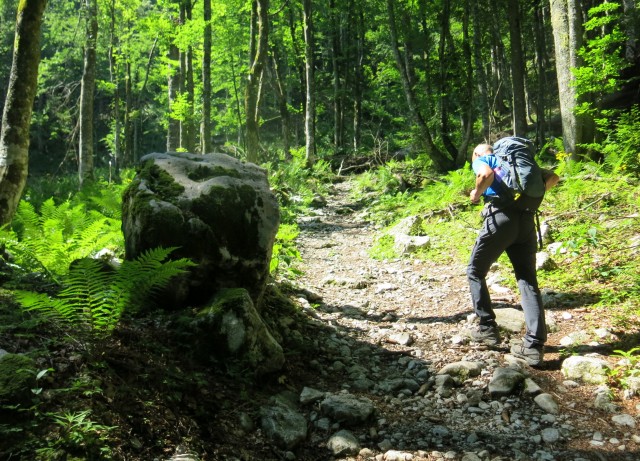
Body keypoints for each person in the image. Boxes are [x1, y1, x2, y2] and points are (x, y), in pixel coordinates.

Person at [466, 142, 559, 366]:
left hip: (501, 219)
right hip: (526, 222)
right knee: (527, 281)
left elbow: (484, 174)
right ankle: (534, 347)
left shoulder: (485, 158)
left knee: (475, 271)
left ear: (477, 153)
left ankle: (487, 328)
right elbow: (553, 178)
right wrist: (522, 199)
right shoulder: (518, 164)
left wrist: (476, 195)